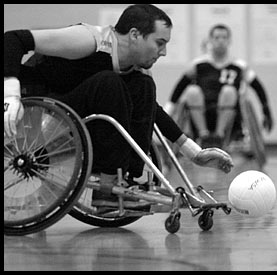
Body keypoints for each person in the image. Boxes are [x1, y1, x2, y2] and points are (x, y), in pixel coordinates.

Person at [4, 4, 233, 210]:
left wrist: (194, 152)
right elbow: (13, 39)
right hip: (36, 103)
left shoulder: (135, 68)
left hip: (76, 115)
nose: (163, 52)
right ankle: (109, 180)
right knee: (108, 82)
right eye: (159, 43)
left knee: (144, 85)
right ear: (135, 35)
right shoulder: (89, 39)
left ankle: (128, 180)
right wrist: (10, 95)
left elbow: (154, 112)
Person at [164, 24, 273, 148]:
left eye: (224, 37)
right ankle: (203, 135)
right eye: (217, 38)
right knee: (191, 90)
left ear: (229, 41)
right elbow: (180, 86)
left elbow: (258, 88)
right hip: (201, 112)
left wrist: (266, 111)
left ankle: (219, 136)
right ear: (210, 40)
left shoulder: (239, 66)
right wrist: (169, 110)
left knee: (229, 91)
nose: (220, 41)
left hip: (230, 117)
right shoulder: (198, 65)